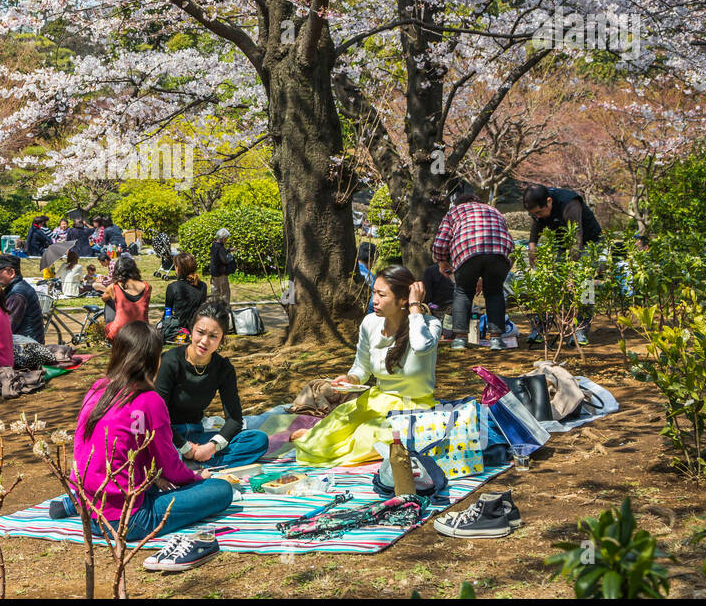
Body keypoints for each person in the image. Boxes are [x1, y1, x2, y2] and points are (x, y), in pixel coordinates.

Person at [49, 321, 234, 546]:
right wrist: (197, 479)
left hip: (91, 511)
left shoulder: (97, 388)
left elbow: (84, 446)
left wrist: (155, 477)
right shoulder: (150, 400)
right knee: (221, 490)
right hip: (129, 518)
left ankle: (71, 504)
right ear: (153, 360)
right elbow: (171, 464)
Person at [291, 266, 442, 467]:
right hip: (377, 400)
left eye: (381, 294)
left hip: (413, 407)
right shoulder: (370, 323)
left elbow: (421, 347)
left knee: (365, 436)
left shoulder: (428, 325)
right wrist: (351, 379)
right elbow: (361, 368)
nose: (375, 301)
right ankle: (316, 435)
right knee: (328, 433)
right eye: (373, 293)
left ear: (403, 299)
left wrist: (415, 307)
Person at [155, 301, 269, 468]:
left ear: (222, 339)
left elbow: (235, 420)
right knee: (155, 449)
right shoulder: (170, 362)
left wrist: (212, 446)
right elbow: (157, 415)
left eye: (213, 336)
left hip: (198, 436)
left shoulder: (223, 368)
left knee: (258, 440)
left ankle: (188, 463)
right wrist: (185, 448)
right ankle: (186, 462)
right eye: (200, 332)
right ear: (191, 329)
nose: (204, 341)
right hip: (168, 436)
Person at [432, 186, 514, 351]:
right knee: (495, 291)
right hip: (500, 252)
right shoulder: (494, 210)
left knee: (462, 291)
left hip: (467, 250)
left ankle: (460, 339)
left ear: (459, 203)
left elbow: (441, 243)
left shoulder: (455, 211)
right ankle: (496, 340)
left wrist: (442, 262)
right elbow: (505, 235)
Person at [523, 183, 603, 345]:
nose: (537, 216)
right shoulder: (538, 207)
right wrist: (532, 246)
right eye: (533, 214)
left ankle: (581, 328)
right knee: (551, 281)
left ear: (549, 201)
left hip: (588, 242)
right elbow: (536, 224)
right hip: (563, 244)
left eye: (539, 212)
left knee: (584, 283)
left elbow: (576, 240)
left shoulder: (570, 205)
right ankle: (542, 327)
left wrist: (572, 273)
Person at [0, 253, 45, 343]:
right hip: (29, 343)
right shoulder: (17, 288)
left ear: (11, 273)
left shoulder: (17, 295)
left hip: (28, 349)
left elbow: (6, 328)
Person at [102, 254, 150, 341]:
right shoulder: (147, 287)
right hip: (143, 330)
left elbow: (103, 298)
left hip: (119, 332)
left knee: (108, 302)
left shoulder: (113, 287)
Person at [163, 252, 208, 337]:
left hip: (178, 329)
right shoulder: (203, 286)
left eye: (175, 266)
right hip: (197, 327)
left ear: (179, 269)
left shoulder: (173, 287)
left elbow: (168, 311)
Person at [208, 228, 234, 303]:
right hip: (220, 273)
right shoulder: (220, 247)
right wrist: (231, 257)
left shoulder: (214, 244)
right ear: (223, 238)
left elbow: (218, 254)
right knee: (224, 292)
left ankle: (215, 306)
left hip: (213, 271)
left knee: (215, 290)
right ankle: (225, 308)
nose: (226, 240)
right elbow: (224, 260)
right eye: (226, 238)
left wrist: (229, 250)